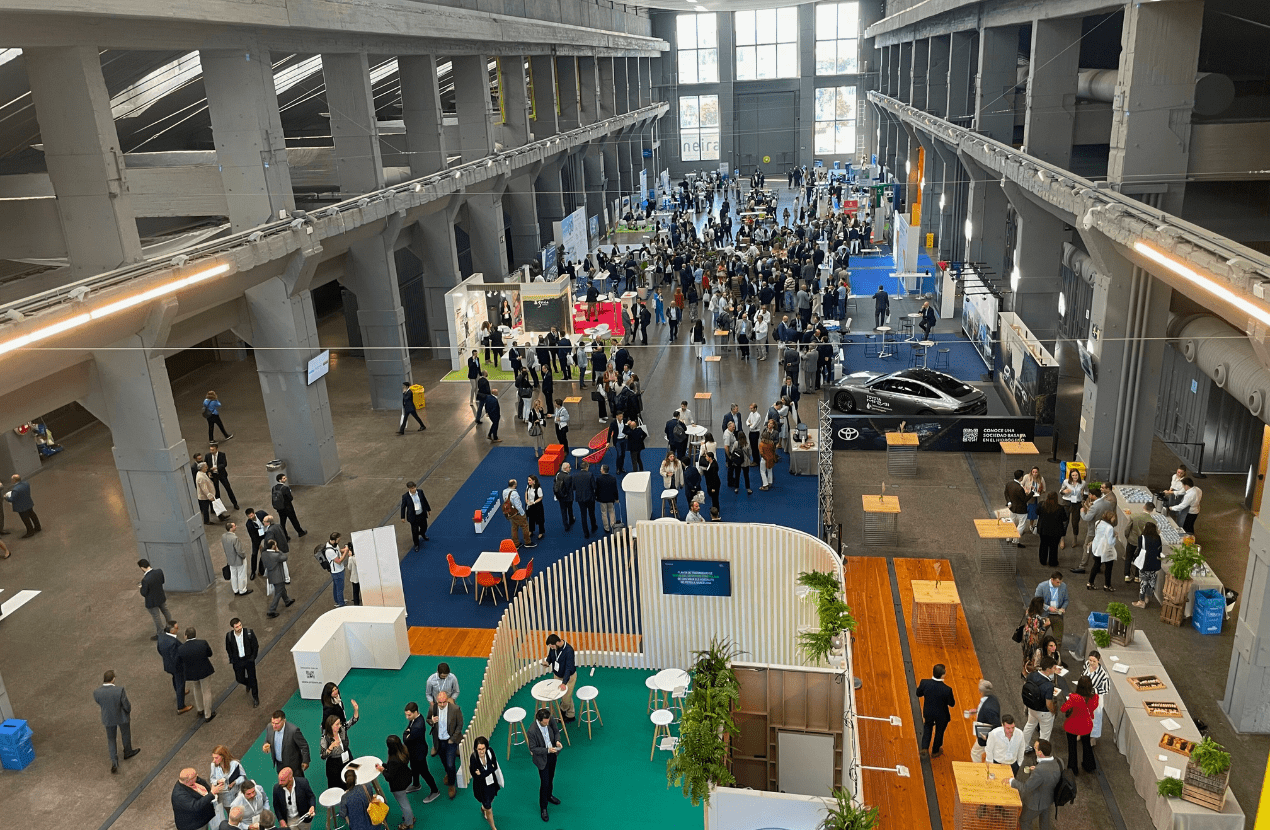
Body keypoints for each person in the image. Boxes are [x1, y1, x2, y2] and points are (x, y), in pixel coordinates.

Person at [94, 670, 140, 773]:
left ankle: (114, 762)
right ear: (113, 679)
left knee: (111, 739)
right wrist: (128, 711)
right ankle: (127, 751)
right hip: (121, 716)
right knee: (125, 733)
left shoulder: (97, 692)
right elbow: (126, 704)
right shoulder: (119, 690)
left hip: (108, 718)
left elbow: (99, 702)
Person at [1010, 739, 1060, 830]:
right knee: (1044, 824)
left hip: (1035, 803)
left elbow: (1026, 788)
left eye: (1035, 748)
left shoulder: (1039, 770)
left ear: (1040, 752)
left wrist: (1012, 781)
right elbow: (1047, 775)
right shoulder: (1056, 762)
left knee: (1024, 820)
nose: (1034, 748)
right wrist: (1037, 769)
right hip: (1048, 800)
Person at [527, 708, 565, 823]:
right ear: (539, 720)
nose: (547, 723)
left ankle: (549, 796)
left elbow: (556, 731)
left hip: (553, 755)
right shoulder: (532, 731)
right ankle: (543, 807)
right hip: (542, 759)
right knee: (545, 782)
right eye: (545, 722)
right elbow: (533, 748)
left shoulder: (549, 719)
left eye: (548, 721)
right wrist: (547, 750)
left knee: (551, 777)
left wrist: (557, 741)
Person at [402, 702, 441, 802]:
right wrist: (407, 732)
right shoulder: (416, 718)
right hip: (414, 751)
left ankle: (435, 791)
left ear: (415, 712)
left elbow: (406, 739)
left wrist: (406, 733)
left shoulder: (417, 726)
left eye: (409, 715)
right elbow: (408, 731)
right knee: (414, 768)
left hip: (419, 753)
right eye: (406, 715)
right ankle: (416, 785)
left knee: (424, 772)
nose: (407, 717)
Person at [916, 664, 955, 758]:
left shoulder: (924, 682)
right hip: (942, 715)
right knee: (939, 732)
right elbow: (952, 704)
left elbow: (918, 693)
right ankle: (935, 751)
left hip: (928, 712)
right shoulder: (947, 690)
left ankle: (924, 747)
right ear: (943, 675)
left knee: (927, 727)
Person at [429, 691, 463, 799]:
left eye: (444, 702)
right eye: (440, 702)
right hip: (439, 741)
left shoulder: (455, 709)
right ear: (437, 701)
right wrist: (432, 721)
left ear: (447, 700)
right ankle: (448, 773)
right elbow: (428, 720)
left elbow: (460, 725)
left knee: (450, 764)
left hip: (450, 741)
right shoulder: (433, 708)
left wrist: (452, 739)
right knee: (444, 760)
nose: (442, 704)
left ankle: (452, 784)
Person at [1061, 675, 1099, 774]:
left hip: (1072, 725)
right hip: (1086, 725)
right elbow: (1093, 707)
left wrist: (1070, 699)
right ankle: (1089, 765)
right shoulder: (1095, 697)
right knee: (1087, 745)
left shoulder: (1074, 698)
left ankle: (1073, 768)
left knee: (1072, 747)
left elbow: (1063, 708)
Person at [1020, 657, 1061, 748]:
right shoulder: (1048, 685)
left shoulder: (1031, 675)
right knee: (1044, 734)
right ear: (1048, 669)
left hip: (1032, 707)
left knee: (1029, 726)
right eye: (1054, 667)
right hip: (1044, 713)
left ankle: (1023, 746)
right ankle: (1041, 751)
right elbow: (1048, 703)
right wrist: (1053, 712)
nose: (1055, 669)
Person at [377, 735, 416, 830]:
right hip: (406, 778)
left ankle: (409, 822)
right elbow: (395, 768)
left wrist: (382, 770)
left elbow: (389, 777)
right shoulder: (403, 751)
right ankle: (409, 817)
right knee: (404, 802)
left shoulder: (393, 760)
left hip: (399, 785)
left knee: (404, 804)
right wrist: (385, 766)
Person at [180, 626, 217, 723]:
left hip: (191, 672)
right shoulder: (202, 643)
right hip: (204, 671)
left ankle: (200, 709)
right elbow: (209, 654)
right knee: (206, 691)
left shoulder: (181, 648)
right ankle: (208, 714)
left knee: (196, 689)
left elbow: (181, 660)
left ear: (186, 636)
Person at [157, 620, 193, 714]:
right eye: (177, 627)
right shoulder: (173, 642)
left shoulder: (161, 637)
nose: (178, 629)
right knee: (180, 682)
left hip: (168, 664)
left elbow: (159, 650)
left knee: (175, 678)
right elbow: (177, 657)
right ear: (172, 630)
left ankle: (178, 692)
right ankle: (181, 706)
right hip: (177, 667)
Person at [263, 710, 311, 778]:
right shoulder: (269, 727)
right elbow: (268, 740)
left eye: (277, 723)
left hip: (294, 766)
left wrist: (305, 761)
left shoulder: (293, 731)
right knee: (283, 782)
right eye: (272, 723)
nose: (274, 726)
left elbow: (304, 746)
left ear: (284, 721)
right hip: (279, 765)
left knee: (298, 783)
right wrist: (265, 745)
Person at [469, 735, 503, 830]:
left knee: (490, 801)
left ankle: (483, 808)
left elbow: (495, 766)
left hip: (492, 784)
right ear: (476, 749)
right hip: (481, 788)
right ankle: (493, 827)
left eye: (483, 748)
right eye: (479, 749)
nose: (481, 751)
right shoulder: (473, 758)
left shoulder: (490, 751)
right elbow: (477, 777)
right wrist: (489, 769)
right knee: (489, 808)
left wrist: (483, 772)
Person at [225, 617, 260, 708]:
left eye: (240, 625)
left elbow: (255, 646)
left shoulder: (249, 633)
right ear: (233, 628)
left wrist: (252, 658)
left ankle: (255, 697)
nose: (239, 628)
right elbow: (228, 649)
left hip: (248, 660)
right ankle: (249, 684)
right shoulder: (229, 636)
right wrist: (232, 659)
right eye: (237, 627)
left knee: (253, 678)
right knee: (239, 678)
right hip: (238, 661)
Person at [543, 633, 577, 721]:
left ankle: (562, 711)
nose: (551, 648)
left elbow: (568, 668)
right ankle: (571, 715)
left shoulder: (569, 651)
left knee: (566, 699)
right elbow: (550, 656)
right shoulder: (553, 648)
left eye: (552, 647)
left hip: (568, 678)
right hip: (557, 675)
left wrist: (564, 683)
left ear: (557, 643)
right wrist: (547, 662)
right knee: (566, 696)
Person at [966, 679, 1001, 763]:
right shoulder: (992, 698)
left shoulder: (988, 709)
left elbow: (997, 725)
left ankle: (979, 768)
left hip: (986, 735)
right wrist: (976, 711)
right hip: (986, 732)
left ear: (981, 691)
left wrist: (987, 736)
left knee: (975, 752)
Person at [139, 558, 174, 640]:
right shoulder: (159, 572)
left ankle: (160, 633)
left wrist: (141, 587)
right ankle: (170, 627)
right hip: (160, 596)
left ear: (142, 568)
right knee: (165, 611)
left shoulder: (145, 580)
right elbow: (162, 581)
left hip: (152, 601)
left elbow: (144, 593)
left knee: (156, 616)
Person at [1131, 522, 1164, 608]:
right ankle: (1147, 598)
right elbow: (1160, 550)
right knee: (1151, 582)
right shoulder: (1158, 538)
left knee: (1143, 582)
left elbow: (1139, 550)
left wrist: (1134, 558)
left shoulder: (1141, 537)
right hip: (1155, 563)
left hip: (1144, 562)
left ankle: (1141, 601)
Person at [1123, 501, 1157, 583]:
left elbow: (1127, 529)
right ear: (1152, 510)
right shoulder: (1153, 522)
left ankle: (1127, 575)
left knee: (1128, 557)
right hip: (1143, 543)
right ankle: (1137, 577)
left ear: (1144, 507)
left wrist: (1128, 537)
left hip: (1132, 540)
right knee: (1139, 559)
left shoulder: (1134, 516)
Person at [320, 714, 356, 791]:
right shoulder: (325, 738)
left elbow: (353, 721)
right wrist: (330, 747)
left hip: (347, 758)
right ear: (331, 726)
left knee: (351, 777)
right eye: (337, 724)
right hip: (334, 764)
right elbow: (322, 755)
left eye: (339, 723)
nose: (339, 725)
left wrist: (356, 711)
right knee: (337, 785)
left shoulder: (342, 729)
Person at [1082, 651, 1111, 744]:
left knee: (1095, 718)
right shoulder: (1086, 665)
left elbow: (1106, 689)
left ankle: (1093, 737)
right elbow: (1083, 674)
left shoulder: (1103, 674)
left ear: (1098, 661)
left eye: (1094, 661)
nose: (1091, 663)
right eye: (1090, 660)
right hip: (1084, 696)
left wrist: (1093, 690)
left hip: (1095, 699)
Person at [1033, 572, 1068, 647]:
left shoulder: (1063, 586)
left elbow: (1066, 600)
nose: (1059, 584)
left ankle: (1055, 653)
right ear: (1052, 580)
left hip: (1057, 615)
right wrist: (1048, 608)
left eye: (1061, 582)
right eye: (1057, 582)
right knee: (1039, 636)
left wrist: (1063, 608)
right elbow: (1037, 601)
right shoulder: (1042, 586)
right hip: (1044, 615)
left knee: (1058, 639)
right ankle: (1039, 651)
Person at [1087, 511, 1117, 591]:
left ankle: (1090, 583)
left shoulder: (1098, 522)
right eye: (1113, 517)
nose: (1114, 518)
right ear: (1110, 518)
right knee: (1108, 567)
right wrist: (1115, 537)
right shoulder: (1110, 528)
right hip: (1105, 549)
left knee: (1096, 565)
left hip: (1096, 547)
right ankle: (1107, 585)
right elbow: (1110, 542)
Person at [262, 540, 294, 618]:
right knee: (278, 593)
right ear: (273, 546)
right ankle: (271, 610)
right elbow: (285, 557)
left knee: (281, 589)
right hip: (278, 577)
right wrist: (278, 551)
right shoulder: (275, 555)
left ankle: (287, 601)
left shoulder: (264, 554)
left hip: (271, 576)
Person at [1035, 493, 1067, 568]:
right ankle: (1052, 562)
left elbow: (1037, 512)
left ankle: (1043, 560)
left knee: (1043, 545)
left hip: (1043, 529)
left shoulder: (1041, 505)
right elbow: (1064, 518)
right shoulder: (1060, 508)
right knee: (1054, 547)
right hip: (1055, 531)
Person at [1057, 468, 1085, 550]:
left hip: (1077, 503)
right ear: (1070, 476)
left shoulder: (1083, 483)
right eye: (1073, 475)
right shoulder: (1066, 482)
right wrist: (1064, 491)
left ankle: (1075, 538)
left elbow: (1086, 492)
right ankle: (1062, 539)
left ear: (1078, 475)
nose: (1075, 477)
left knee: (1075, 522)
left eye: (1076, 475)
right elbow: (1060, 491)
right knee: (1065, 521)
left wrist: (1083, 497)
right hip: (1067, 502)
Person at [501, 478, 534, 548]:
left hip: (510, 513)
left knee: (514, 527)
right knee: (524, 526)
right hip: (517, 513)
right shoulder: (514, 494)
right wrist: (522, 513)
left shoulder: (504, 491)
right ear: (514, 485)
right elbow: (518, 506)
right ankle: (528, 542)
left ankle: (516, 544)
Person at [271, 474, 307, 538]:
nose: (286, 479)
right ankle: (300, 532)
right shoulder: (285, 488)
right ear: (280, 480)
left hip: (280, 508)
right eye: (284, 478)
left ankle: (285, 536)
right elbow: (290, 498)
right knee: (294, 520)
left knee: (282, 522)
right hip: (288, 508)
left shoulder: (274, 488)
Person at [399, 482, 431, 551]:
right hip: (413, 517)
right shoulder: (405, 496)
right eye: (412, 488)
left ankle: (422, 534)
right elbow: (403, 507)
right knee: (415, 532)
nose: (414, 489)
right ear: (409, 489)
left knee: (424, 527)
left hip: (422, 514)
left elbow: (424, 500)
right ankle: (416, 544)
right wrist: (402, 517)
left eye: (414, 487)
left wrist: (428, 509)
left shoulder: (420, 492)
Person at [223, 522, 251, 596]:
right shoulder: (235, 538)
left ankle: (235, 589)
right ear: (231, 528)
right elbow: (239, 551)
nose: (236, 527)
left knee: (233, 574)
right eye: (234, 526)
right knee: (241, 575)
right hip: (238, 559)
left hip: (230, 559)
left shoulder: (223, 536)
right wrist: (243, 556)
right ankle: (242, 590)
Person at [207, 442, 238, 510]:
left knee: (228, 489)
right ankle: (219, 507)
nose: (211, 451)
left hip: (221, 474)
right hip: (213, 476)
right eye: (210, 450)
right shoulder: (208, 456)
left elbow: (224, 464)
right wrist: (209, 471)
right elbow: (206, 465)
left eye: (213, 450)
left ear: (216, 449)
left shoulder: (222, 455)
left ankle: (235, 503)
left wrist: (217, 467)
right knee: (216, 492)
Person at [571, 462, 597, 539]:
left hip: (580, 498)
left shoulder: (575, 475)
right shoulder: (590, 474)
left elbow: (573, 487)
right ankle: (593, 527)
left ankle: (586, 533)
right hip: (590, 498)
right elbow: (594, 486)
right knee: (592, 513)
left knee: (583, 515)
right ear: (587, 467)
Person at [1005, 469, 1029, 546]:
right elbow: (1024, 499)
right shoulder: (1019, 488)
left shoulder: (1009, 484)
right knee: (1021, 524)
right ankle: (1015, 540)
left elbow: (1006, 493)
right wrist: (1031, 493)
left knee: (1011, 522)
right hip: (1021, 509)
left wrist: (1009, 502)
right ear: (1021, 477)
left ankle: (1008, 537)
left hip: (1012, 508)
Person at [595, 464, 620, 532]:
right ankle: (613, 525)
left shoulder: (598, 479)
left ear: (603, 471)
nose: (600, 470)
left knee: (604, 513)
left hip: (602, 499)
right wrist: (616, 498)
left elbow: (597, 489)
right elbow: (615, 490)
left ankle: (606, 528)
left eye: (601, 469)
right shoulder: (613, 478)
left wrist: (596, 497)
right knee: (611, 511)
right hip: (611, 499)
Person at [245, 508, 266, 579]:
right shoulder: (248, 524)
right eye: (249, 516)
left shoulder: (261, 514)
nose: (251, 517)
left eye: (252, 515)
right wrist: (259, 544)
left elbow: (269, 519)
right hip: (257, 538)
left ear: (254, 513)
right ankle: (253, 571)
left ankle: (262, 569)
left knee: (265, 551)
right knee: (254, 554)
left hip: (265, 534)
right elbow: (252, 536)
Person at [553, 463, 575, 530]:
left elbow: (555, 483)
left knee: (563, 511)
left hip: (560, 497)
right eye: (569, 467)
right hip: (568, 497)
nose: (570, 468)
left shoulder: (558, 474)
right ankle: (571, 520)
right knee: (570, 509)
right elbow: (570, 487)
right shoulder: (568, 477)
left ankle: (566, 525)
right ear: (566, 468)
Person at [700, 451, 722, 517]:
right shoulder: (711, 463)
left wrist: (713, 488)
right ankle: (714, 507)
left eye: (706, 456)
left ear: (710, 458)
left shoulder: (714, 466)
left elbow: (714, 478)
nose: (705, 458)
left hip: (715, 485)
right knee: (713, 498)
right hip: (712, 483)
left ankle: (716, 510)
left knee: (715, 498)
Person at [525, 475, 546, 541]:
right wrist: (526, 500)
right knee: (531, 519)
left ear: (534, 481)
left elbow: (540, 498)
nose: (528, 481)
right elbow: (526, 493)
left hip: (537, 507)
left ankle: (541, 532)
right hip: (529, 506)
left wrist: (534, 502)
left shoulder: (538, 489)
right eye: (528, 480)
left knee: (540, 520)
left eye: (529, 480)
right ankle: (531, 530)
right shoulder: (528, 486)